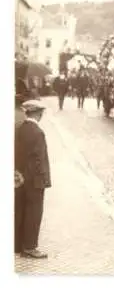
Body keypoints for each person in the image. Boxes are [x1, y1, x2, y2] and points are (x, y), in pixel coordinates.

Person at [15, 100, 51, 258]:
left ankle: (18, 245)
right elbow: (40, 159)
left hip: (21, 178)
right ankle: (30, 247)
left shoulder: (20, 129)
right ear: (38, 113)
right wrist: (44, 179)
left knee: (20, 210)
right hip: (35, 180)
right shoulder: (38, 132)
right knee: (34, 213)